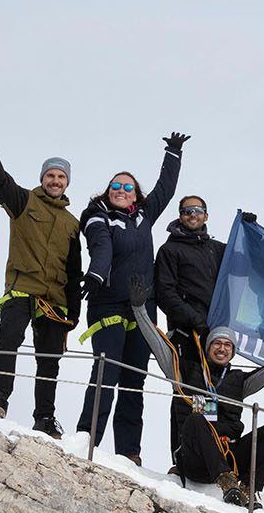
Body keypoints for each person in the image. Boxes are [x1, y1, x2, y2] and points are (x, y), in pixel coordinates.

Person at [0, 120, 82, 437]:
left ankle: (45, 418)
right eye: (50, 175)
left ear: (67, 182)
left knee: (49, 361)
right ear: (42, 178)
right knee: (8, 342)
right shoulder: (23, 202)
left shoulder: (72, 223)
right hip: (21, 290)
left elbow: (74, 271)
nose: (55, 181)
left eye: (60, 176)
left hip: (55, 301)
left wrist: (74, 314)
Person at [75, 134, 187, 465]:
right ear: (107, 192)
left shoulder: (143, 215)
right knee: (105, 374)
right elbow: (101, 247)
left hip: (142, 308)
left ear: (136, 194)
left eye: (128, 188)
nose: (121, 191)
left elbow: (165, 188)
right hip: (107, 303)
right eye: (116, 187)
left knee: (133, 381)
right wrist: (96, 274)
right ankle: (87, 440)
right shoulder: (98, 216)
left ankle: (129, 452)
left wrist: (173, 153)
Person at [175, 326, 264, 508]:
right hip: (197, 460)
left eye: (228, 345)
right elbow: (163, 351)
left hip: (229, 454)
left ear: (233, 351)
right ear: (208, 347)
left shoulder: (238, 380)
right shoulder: (187, 372)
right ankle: (226, 482)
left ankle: (248, 489)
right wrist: (140, 309)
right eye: (217, 343)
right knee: (196, 419)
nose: (222, 348)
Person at [153, 193, 226, 456]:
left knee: (212, 392)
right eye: (186, 211)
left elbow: (248, 260)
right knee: (187, 393)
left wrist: (249, 229)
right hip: (187, 335)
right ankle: (182, 454)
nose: (192, 215)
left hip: (214, 335)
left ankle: (210, 453)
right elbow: (165, 293)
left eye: (197, 210)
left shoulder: (217, 250)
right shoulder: (170, 250)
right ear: (180, 216)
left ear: (206, 215)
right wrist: (194, 319)